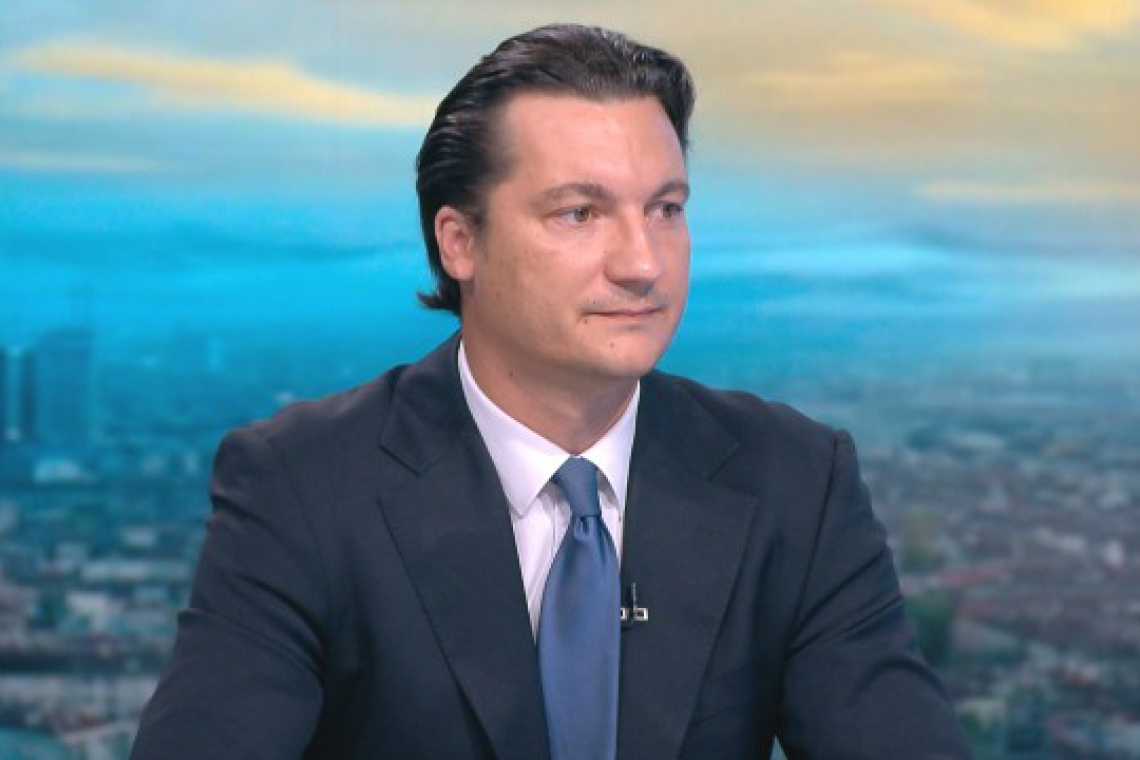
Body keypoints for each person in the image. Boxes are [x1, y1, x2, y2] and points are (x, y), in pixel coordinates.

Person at [131, 23, 973, 759]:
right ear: (459, 242)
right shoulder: (303, 486)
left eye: (666, 209)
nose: (642, 262)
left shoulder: (796, 479)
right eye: (580, 213)